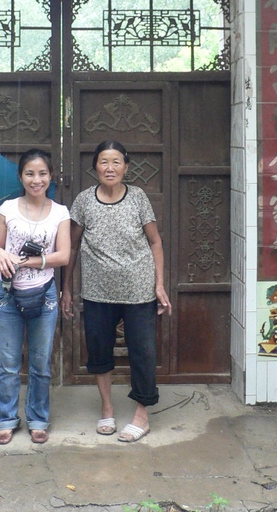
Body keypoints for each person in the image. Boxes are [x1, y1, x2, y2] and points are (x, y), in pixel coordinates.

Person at [61, 139, 172, 443]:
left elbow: (155, 242)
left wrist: (159, 284)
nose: (110, 168)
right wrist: (67, 289)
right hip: (97, 292)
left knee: (143, 353)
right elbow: (71, 246)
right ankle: (107, 407)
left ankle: (141, 414)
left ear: (126, 166)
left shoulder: (137, 198)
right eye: (104, 162)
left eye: (116, 162)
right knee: (99, 351)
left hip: (138, 291)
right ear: (95, 166)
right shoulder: (83, 201)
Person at [0, 149, 71, 445]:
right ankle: (7, 419)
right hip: (8, 294)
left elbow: (63, 255)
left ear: (50, 176)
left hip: (45, 296)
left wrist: (28, 262)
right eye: (29, 174)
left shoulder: (61, 212)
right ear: (21, 177)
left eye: (42, 174)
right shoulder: (7, 209)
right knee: (9, 362)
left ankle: (38, 418)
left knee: (40, 362)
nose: (36, 180)